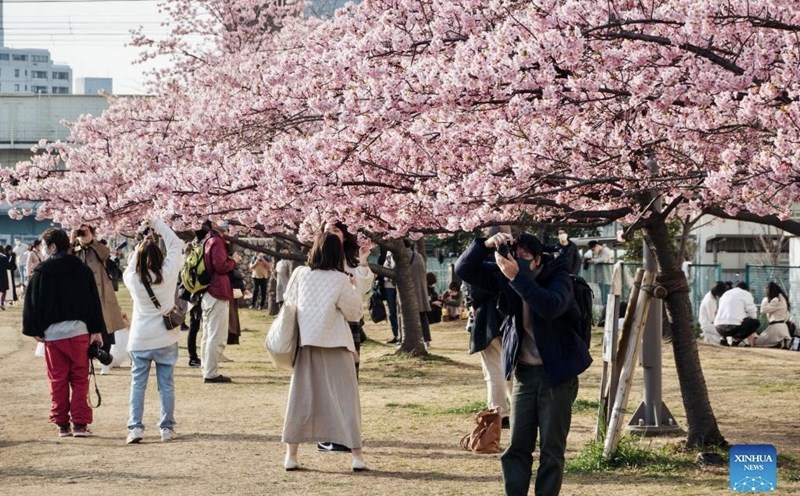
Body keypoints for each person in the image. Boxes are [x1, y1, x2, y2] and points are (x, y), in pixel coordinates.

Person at [456, 231, 592, 496]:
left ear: (538, 259)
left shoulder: (558, 278)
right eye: (514, 255)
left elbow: (550, 306)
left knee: (552, 449)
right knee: (517, 445)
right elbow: (464, 269)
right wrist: (485, 245)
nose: (516, 261)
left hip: (557, 375)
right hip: (524, 375)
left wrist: (516, 277)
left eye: (524, 257)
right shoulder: (507, 277)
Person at [281, 232, 366, 472]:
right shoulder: (340, 279)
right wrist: (353, 288)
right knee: (346, 401)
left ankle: (291, 455)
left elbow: (289, 302)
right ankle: (357, 457)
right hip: (336, 344)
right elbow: (354, 313)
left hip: (307, 344)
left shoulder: (299, 274)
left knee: (300, 400)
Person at [22, 228, 106, 438]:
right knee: (79, 378)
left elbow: (31, 304)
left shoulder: (41, 272)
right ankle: (80, 424)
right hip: (79, 332)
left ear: (52, 247)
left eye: (44, 245)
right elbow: (94, 302)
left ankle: (61, 424)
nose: (42, 249)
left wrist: (34, 329)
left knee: (57, 380)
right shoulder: (81, 269)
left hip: (53, 335)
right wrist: (96, 330)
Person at [122, 218, 184, 444]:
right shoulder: (168, 273)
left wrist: (139, 250)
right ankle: (166, 428)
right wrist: (157, 224)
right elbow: (176, 244)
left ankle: (135, 427)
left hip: (139, 339)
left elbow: (129, 267)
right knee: (166, 385)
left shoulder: (133, 279)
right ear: (160, 257)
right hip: (165, 338)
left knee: (138, 385)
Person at [71, 224, 129, 374]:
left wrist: (91, 240)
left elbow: (105, 253)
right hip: (81, 296)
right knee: (84, 330)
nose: (82, 234)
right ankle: (87, 364)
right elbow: (65, 258)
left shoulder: (98, 248)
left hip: (101, 293)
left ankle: (105, 362)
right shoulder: (74, 250)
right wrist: (72, 240)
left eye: (86, 231)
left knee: (105, 328)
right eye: (81, 231)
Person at [199, 220, 240, 383]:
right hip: (217, 292)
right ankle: (211, 372)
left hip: (209, 292)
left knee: (208, 335)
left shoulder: (208, 240)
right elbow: (221, 266)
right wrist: (234, 260)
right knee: (216, 335)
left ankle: (207, 368)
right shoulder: (216, 241)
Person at [714, 282, 760, 346]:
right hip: (733, 328)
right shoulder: (746, 293)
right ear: (746, 289)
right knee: (755, 322)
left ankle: (723, 338)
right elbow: (752, 312)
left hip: (718, 327)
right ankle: (736, 339)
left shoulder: (726, 293)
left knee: (731, 319)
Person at [755, 282, 793, 348]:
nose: (765, 292)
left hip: (775, 327)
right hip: (782, 327)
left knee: (757, 343)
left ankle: (780, 341)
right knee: (770, 343)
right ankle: (782, 341)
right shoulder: (782, 299)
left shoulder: (776, 300)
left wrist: (765, 299)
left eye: (765, 290)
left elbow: (763, 310)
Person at [382, 251, 400, 343]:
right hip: (388, 286)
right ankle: (396, 335)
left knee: (399, 311)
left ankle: (401, 334)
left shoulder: (400, 251)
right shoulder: (387, 253)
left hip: (399, 285)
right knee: (392, 312)